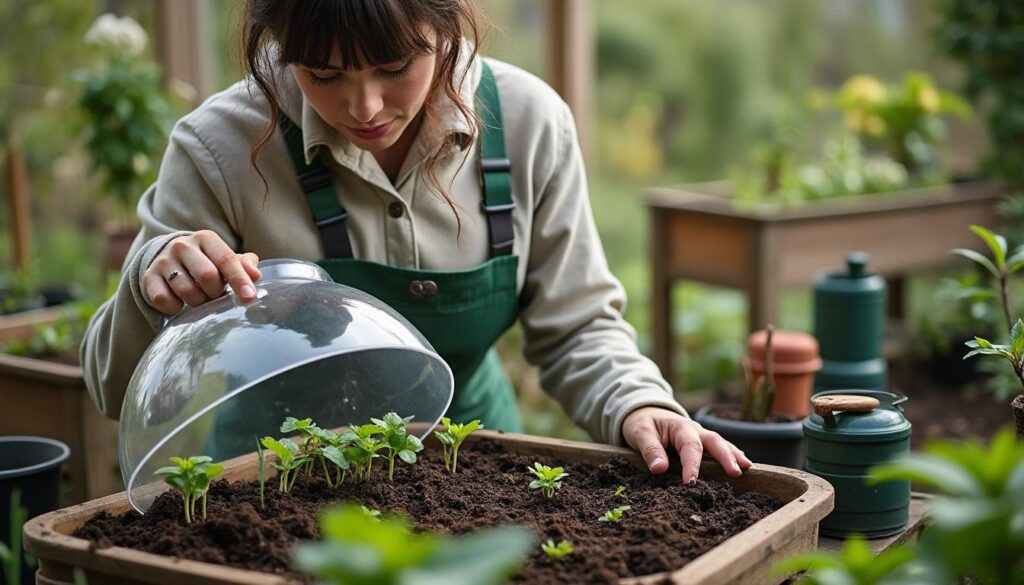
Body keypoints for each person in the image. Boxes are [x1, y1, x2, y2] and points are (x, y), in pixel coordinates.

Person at [81, 0, 752, 484]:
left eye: (394, 65)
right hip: (267, 485)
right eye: (324, 74)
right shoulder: (220, 147)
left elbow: (577, 326)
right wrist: (154, 279)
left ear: (447, 23)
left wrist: (639, 402)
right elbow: (113, 389)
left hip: (468, 470)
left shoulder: (525, 124)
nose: (365, 107)